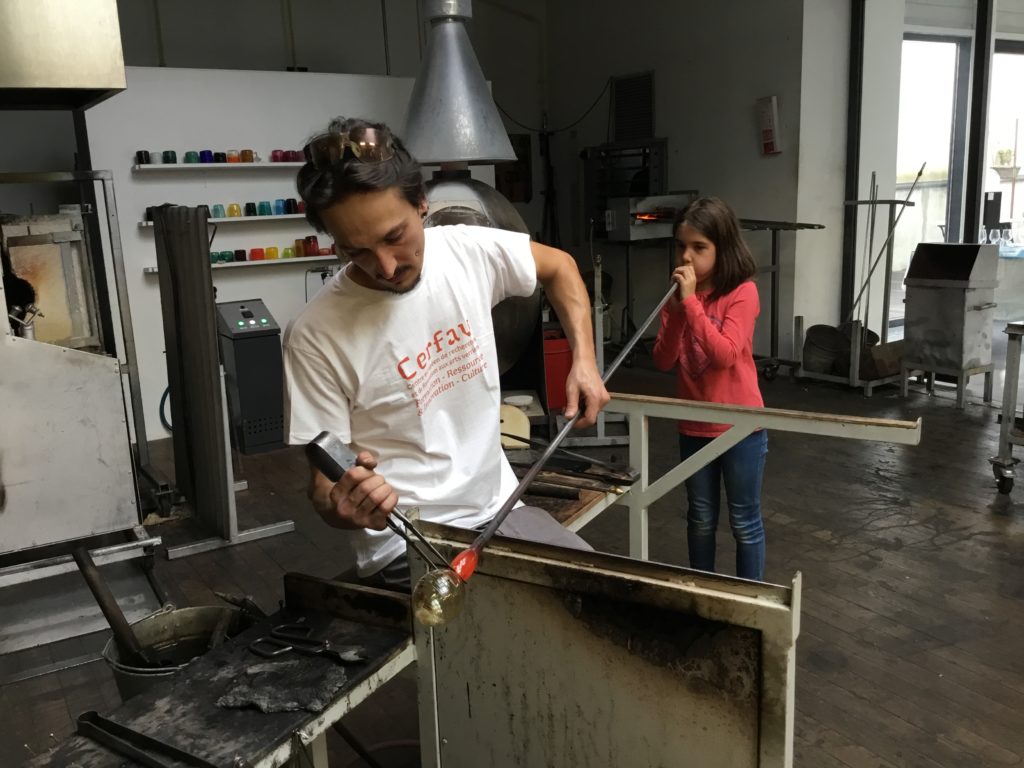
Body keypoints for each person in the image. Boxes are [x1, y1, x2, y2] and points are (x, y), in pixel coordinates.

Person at [283, 117, 609, 591]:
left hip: (499, 508)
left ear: (421, 204)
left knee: (606, 600)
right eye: (358, 253)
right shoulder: (314, 336)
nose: (387, 267)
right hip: (408, 540)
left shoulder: (465, 251)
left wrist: (584, 359)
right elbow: (323, 490)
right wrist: (346, 508)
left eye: (395, 237)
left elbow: (560, 267)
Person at [651, 197, 767, 581]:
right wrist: (679, 310)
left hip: (740, 428)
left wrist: (693, 308)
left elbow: (725, 355)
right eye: (682, 246)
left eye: (699, 248)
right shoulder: (678, 299)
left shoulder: (742, 293)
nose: (687, 257)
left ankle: (749, 600)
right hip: (694, 427)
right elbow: (663, 361)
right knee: (700, 518)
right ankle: (703, 594)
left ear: (723, 248)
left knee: (743, 521)